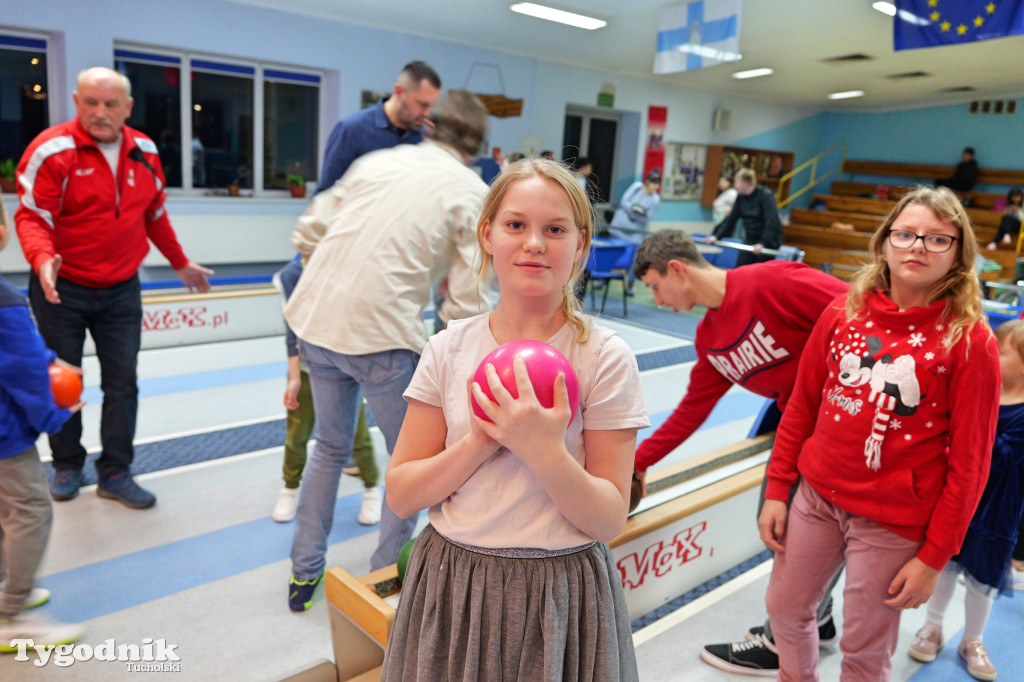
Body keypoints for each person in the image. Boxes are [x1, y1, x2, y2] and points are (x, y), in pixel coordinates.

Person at [380, 158, 648, 681]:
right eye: (516, 225)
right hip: (454, 578)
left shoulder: (605, 357)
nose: (534, 243)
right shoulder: (447, 348)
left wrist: (544, 450)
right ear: (487, 235)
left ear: (582, 246)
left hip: (561, 589)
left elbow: (609, 519)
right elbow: (402, 494)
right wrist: (480, 441)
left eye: (555, 229)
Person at [760, 186, 1001, 680]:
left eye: (938, 240)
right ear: (884, 242)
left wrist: (935, 556)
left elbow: (971, 464)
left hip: (893, 521)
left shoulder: (970, 339)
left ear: (958, 255)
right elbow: (802, 407)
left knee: (864, 648)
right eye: (906, 234)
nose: (917, 247)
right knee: (784, 610)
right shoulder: (841, 312)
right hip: (816, 500)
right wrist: (778, 489)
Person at [282, 90, 493, 611]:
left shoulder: (377, 160)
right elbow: (466, 303)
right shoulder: (471, 191)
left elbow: (309, 229)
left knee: (329, 447)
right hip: (380, 334)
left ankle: (303, 574)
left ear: (429, 125)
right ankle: (385, 585)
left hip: (314, 321)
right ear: (478, 145)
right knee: (412, 464)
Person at [631, 229, 850, 677]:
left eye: (655, 286)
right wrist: (636, 461)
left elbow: (861, 314)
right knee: (774, 523)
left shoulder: (774, 282)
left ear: (677, 268)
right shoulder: (709, 337)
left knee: (792, 531)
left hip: (842, 427)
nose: (656, 299)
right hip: (796, 431)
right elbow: (691, 412)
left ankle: (779, 638)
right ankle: (818, 616)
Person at [15, 67, 213, 509]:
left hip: (122, 287)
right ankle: (66, 464)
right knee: (63, 381)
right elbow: (33, 217)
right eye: (90, 102)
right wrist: (43, 260)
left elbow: (154, 214)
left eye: (110, 104)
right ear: (76, 101)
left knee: (123, 382)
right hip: (60, 287)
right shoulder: (52, 151)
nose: (99, 112)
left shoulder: (144, 150)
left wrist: (179, 262)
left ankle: (117, 472)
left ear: (128, 107)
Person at [906, 318, 1024, 681]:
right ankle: (933, 626)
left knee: (982, 579)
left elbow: (1002, 458)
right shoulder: (982, 392)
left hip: (996, 512)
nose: (990, 358)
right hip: (958, 501)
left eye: (1000, 353)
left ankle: (972, 639)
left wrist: (972, 424)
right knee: (944, 566)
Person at [0, 202, 86, 650]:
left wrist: (46, 360)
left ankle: (6, 588)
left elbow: (21, 359)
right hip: (5, 438)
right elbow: (25, 374)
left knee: (4, 511)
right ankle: (11, 616)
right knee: (30, 509)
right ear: (2, 233)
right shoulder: (5, 299)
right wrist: (55, 418)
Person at [270, 256, 380, 525]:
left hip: (345, 361)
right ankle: (289, 488)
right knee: (297, 430)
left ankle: (371, 489)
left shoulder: (348, 265)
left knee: (357, 431)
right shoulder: (292, 274)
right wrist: (294, 377)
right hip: (308, 366)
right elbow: (291, 330)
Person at [317, 60, 441, 193]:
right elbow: (325, 196)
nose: (427, 113)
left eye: (432, 106)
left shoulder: (425, 139)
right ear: (399, 92)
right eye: (422, 104)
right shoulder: (352, 130)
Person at [706, 168, 784, 268]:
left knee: (760, 271)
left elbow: (771, 221)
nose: (735, 186)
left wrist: (763, 243)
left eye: (737, 182)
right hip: (751, 238)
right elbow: (731, 219)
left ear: (746, 183)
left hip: (768, 240)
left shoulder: (765, 196)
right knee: (741, 267)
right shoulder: (741, 197)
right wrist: (717, 236)